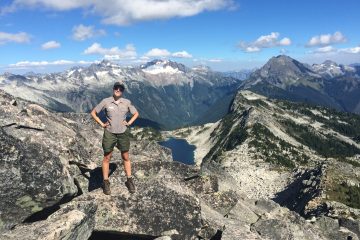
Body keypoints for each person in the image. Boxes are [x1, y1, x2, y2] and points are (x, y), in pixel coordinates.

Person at [91, 82, 139, 195]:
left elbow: (136, 113)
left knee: (125, 156)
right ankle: (106, 181)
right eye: (116, 88)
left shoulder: (126, 102)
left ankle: (129, 179)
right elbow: (93, 113)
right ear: (113, 89)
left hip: (123, 132)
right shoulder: (106, 101)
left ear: (122, 91)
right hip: (110, 133)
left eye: (120, 89)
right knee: (107, 157)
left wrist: (129, 122)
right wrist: (102, 124)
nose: (118, 90)